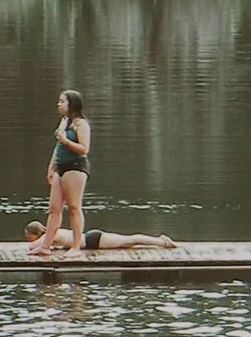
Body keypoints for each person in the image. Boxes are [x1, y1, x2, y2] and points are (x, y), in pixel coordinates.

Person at [28, 90, 94, 257]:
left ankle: (76, 247)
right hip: (61, 166)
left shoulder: (81, 124)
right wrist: (51, 166)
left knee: (73, 207)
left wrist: (66, 141)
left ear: (71, 104)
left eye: (62, 101)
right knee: (54, 208)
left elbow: (84, 149)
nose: (59, 104)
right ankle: (45, 245)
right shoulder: (64, 121)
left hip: (75, 166)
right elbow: (58, 146)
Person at [24, 220, 179, 251]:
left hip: (94, 240)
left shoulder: (51, 234)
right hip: (91, 240)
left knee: (130, 240)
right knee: (128, 243)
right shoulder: (51, 235)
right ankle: (160, 241)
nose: (28, 240)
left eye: (29, 236)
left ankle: (162, 241)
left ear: (35, 233)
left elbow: (32, 247)